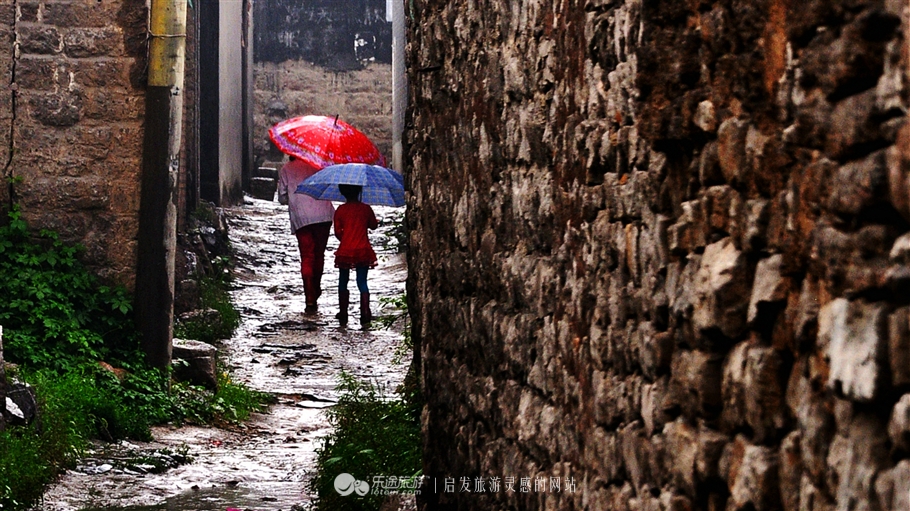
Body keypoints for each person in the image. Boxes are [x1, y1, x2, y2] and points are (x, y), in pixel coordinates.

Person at [277, 156, 335, 314]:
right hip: (324, 215)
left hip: (302, 217)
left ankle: (310, 298)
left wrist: (291, 197)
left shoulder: (287, 169)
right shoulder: (320, 165)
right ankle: (316, 288)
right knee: (319, 255)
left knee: (307, 256)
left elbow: (281, 197)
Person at [333, 184, 379, 326]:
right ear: (359, 190)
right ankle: (365, 312)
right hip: (363, 250)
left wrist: (346, 239)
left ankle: (343, 312)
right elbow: (373, 225)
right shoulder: (365, 209)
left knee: (343, 281)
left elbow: (337, 232)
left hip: (345, 251)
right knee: (362, 282)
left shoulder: (340, 210)